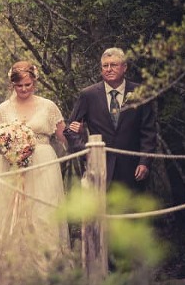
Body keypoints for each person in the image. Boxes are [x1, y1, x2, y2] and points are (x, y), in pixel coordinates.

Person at [0, 61, 69, 273]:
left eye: (28, 85)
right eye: (19, 86)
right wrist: (12, 151)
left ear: (35, 82)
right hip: (12, 166)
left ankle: (49, 267)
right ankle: (16, 268)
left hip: (43, 164)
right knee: (14, 213)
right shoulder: (3, 109)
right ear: (12, 85)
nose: (24, 89)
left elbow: (63, 136)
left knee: (43, 212)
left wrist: (77, 135)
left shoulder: (48, 106)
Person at [64, 47, 157, 191]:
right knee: (101, 212)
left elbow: (148, 131)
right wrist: (86, 152)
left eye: (113, 65)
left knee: (132, 212)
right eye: (105, 66)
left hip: (132, 168)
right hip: (100, 167)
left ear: (124, 67)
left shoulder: (140, 93)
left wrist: (145, 162)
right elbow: (69, 129)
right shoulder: (88, 95)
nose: (109, 69)